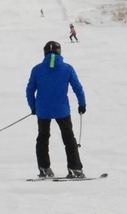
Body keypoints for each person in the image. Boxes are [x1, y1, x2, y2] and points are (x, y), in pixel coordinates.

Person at [26, 40, 86, 178]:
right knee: (69, 138)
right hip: (62, 109)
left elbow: (30, 90)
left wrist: (33, 106)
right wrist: (82, 104)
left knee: (42, 138)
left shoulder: (37, 69)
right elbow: (77, 87)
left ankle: (44, 168)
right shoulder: (67, 68)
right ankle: (75, 169)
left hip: (43, 110)